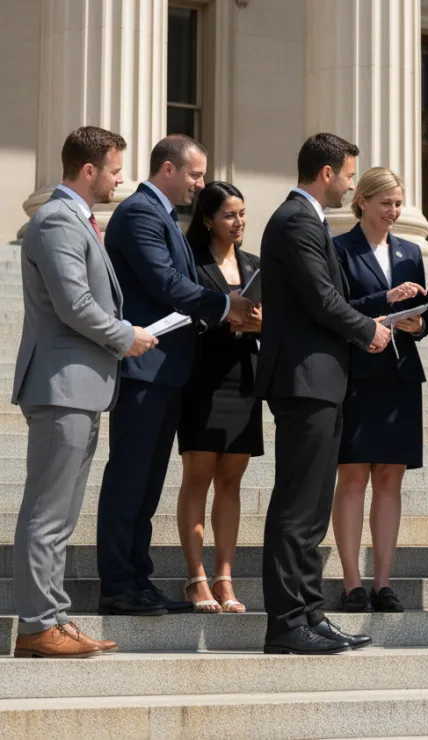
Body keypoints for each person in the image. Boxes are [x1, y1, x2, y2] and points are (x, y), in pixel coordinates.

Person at [12, 127, 158, 657]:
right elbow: (73, 304)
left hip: (80, 387)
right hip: (62, 386)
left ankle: (51, 617)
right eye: (116, 169)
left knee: (60, 514)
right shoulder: (55, 219)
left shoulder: (75, 220)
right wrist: (128, 336)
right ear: (89, 169)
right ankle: (36, 625)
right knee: (48, 514)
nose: (122, 178)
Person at [96, 135, 256, 616]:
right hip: (145, 369)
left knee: (146, 484)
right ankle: (119, 585)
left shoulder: (164, 215)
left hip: (168, 372)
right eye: (194, 174)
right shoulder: (142, 213)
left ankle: (137, 580)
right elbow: (164, 281)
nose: (200, 183)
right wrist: (225, 304)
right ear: (168, 169)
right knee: (130, 478)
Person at [256, 133, 392, 655]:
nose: (352, 184)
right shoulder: (294, 219)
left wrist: (377, 308)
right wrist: (369, 330)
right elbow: (320, 298)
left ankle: (310, 614)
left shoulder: (308, 220)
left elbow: (334, 294)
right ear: (328, 172)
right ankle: (287, 625)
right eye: (350, 174)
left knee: (313, 507)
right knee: (298, 507)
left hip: (322, 381)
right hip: (303, 380)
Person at [332, 167, 428, 613]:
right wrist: (385, 301)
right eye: (386, 203)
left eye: (398, 203)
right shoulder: (339, 248)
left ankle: (383, 583)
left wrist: (422, 318)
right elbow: (335, 307)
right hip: (356, 374)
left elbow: (421, 316)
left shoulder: (411, 251)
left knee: (390, 478)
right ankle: (352, 582)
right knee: (353, 477)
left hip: (398, 375)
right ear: (363, 202)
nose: (394, 211)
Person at [177, 181, 263, 614]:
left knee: (231, 481)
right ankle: (196, 579)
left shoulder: (254, 264)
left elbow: (271, 318)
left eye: (243, 214)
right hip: (203, 378)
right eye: (230, 214)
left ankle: (224, 577)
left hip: (244, 379)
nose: (239, 222)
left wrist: (260, 324)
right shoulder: (191, 263)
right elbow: (187, 314)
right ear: (209, 218)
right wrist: (228, 320)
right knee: (198, 478)